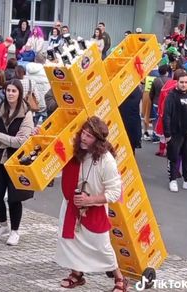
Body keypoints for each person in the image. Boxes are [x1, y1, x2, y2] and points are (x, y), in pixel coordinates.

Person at [55, 116, 128, 291]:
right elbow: (51, 147)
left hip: (94, 208)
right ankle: (77, 273)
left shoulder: (106, 160)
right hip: (72, 205)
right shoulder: (76, 151)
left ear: (97, 141)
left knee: (100, 245)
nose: (83, 138)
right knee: (71, 241)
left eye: (89, 136)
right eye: (83, 133)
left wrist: (90, 200)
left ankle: (119, 278)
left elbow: (114, 192)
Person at [0, 79, 34, 246]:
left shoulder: (26, 113)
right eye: (8, 90)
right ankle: (2, 224)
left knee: (15, 198)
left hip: (17, 161)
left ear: (19, 93)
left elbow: (22, 141)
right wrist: (4, 139)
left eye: (14, 91)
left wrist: (1, 136)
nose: (10, 93)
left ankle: (15, 231)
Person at [163, 71, 187, 192]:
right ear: (177, 82)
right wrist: (167, 134)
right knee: (173, 157)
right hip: (175, 133)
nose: (184, 84)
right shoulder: (171, 96)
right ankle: (173, 180)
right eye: (181, 82)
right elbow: (166, 115)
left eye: (186, 82)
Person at [149, 64, 171, 143]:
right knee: (165, 119)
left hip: (156, 102)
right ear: (166, 72)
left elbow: (151, 94)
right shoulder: (170, 81)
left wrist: (152, 100)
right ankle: (165, 135)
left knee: (156, 119)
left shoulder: (155, 80)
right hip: (166, 103)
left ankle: (155, 136)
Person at [119, 86, 142, 154]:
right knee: (131, 146)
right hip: (133, 121)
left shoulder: (120, 89)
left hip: (122, 119)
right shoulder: (137, 90)